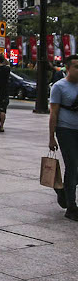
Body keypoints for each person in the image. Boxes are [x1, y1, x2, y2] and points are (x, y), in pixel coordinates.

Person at [50, 54, 78, 222]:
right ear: (67, 68)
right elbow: (53, 113)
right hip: (65, 130)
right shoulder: (59, 87)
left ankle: (63, 190)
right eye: (76, 67)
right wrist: (51, 137)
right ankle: (71, 207)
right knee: (73, 165)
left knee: (76, 169)